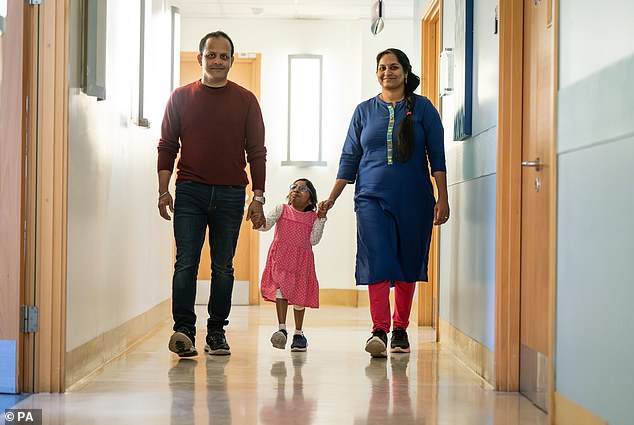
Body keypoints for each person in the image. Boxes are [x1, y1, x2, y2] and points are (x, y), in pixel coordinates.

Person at [319, 48, 449, 358]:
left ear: (405, 71)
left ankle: (400, 329)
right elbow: (350, 157)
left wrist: (443, 197)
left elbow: (438, 158)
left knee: (407, 260)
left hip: (414, 199)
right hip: (370, 198)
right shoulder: (364, 111)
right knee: (377, 258)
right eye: (381, 67)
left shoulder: (424, 109)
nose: (386, 72)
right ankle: (379, 329)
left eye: (393, 67)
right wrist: (332, 197)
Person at [157, 31, 267, 357]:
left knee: (223, 266)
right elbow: (167, 146)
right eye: (211, 55)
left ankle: (216, 332)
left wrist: (258, 197)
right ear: (200, 58)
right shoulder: (180, 98)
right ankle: (184, 331)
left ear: (231, 60)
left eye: (223, 56)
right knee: (186, 263)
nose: (217, 61)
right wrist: (163, 191)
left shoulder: (246, 100)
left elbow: (256, 151)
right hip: (189, 191)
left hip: (232, 194)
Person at [258, 179, 327, 352]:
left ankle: (298, 333)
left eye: (303, 188)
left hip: (301, 262)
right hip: (281, 259)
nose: (297, 190)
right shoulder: (281, 209)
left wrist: (321, 219)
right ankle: (282, 329)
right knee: (281, 290)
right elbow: (265, 226)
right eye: (294, 187)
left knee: (299, 296)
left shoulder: (313, 217)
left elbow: (314, 240)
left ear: (310, 200)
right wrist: (257, 219)